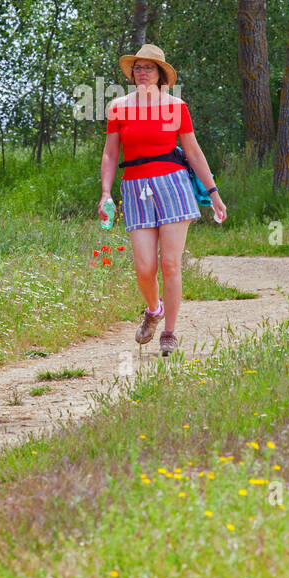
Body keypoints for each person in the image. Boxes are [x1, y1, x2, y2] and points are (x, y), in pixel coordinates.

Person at [98, 43, 226, 356]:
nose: (142, 72)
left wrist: (213, 193)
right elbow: (110, 152)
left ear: (160, 75)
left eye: (149, 68)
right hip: (135, 186)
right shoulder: (118, 107)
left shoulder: (175, 107)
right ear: (133, 73)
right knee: (144, 267)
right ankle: (153, 310)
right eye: (138, 67)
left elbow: (193, 152)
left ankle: (169, 331)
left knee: (170, 263)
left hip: (173, 185)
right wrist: (105, 193)